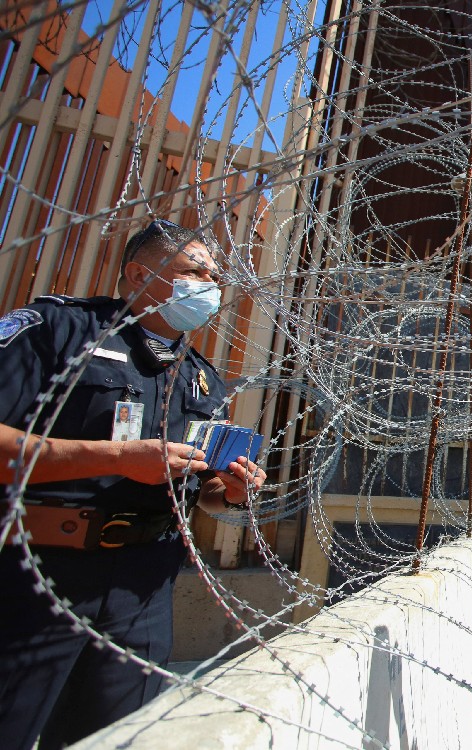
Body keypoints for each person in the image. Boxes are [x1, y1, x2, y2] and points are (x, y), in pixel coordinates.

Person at [0, 219, 265, 749]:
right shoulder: (60, 329)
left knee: (121, 738)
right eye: (194, 271)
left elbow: (202, 492)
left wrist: (230, 491)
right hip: (41, 572)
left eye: (214, 276)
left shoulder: (201, 378)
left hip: (144, 586)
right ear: (140, 274)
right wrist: (118, 457)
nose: (209, 286)